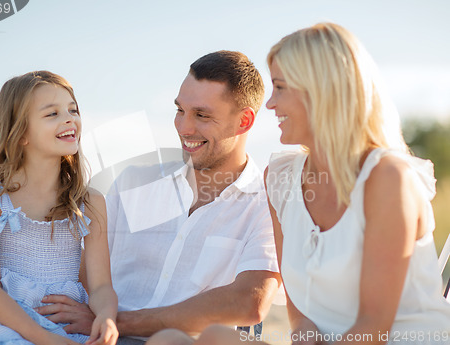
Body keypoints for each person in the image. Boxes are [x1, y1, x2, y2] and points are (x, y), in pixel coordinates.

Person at [148, 23, 450, 345]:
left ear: (321, 91)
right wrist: (307, 336)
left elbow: (374, 326)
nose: (270, 104)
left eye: (280, 87)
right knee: (184, 339)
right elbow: (299, 313)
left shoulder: (387, 178)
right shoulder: (281, 177)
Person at [0, 52, 281, 345]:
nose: (183, 127)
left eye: (202, 115)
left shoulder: (265, 203)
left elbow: (249, 302)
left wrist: (113, 321)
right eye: (180, 110)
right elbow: (79, 275)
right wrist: (3, 304)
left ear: (244, 122)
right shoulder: (133, 185)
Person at [0, 71, 118, 345]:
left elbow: (101, 285)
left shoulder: (90, 202)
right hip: (10, 327)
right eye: (52, 114)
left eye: (73, 110)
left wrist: (106, 316)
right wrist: (45, 339)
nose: (69, 118)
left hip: (68, 328)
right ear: (20, 132)